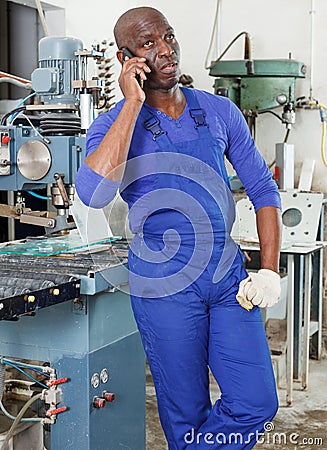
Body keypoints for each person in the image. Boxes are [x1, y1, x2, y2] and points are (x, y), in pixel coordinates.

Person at [75, 6, 282, 449]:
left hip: (229, 279)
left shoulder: (218, 111)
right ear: (125, 58)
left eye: (168, 37)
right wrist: (132, 103)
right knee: (184, 413)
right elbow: (93, 193)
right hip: (164, 284)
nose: (166, 50)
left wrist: (269, 270)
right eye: (148, 44)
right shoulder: (112, 125)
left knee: (256, 402)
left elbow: (263, 190)